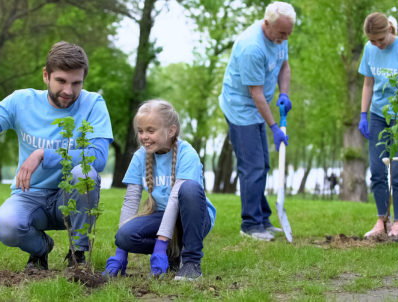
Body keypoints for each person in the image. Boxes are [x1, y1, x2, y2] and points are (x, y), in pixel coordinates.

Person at [0, 41, 114, 270]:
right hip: (30, 195)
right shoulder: (21, 101)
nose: (68, 91)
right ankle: (41, 249)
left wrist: (43, 154)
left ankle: (78, 255)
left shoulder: (93, 103)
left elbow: (98, 158)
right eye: (61, 80)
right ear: (46, 75)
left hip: (70, 198)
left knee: (84, 173)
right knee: (6, 226)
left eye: (76, 83)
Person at [103, 100, 216, 281]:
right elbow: (131, 200)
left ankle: (191, 262)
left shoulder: (187, 154)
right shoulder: (140, 156)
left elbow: (174, 202)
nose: (144, 136)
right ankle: (174, 254)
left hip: (193, 219)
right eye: (140, 131)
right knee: (124, 235)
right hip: (161, 216)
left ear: (171, 131)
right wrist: (120, 252)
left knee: (189, 188)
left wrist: (160, 246)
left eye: (151, 130)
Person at [218, 2, 296, 241]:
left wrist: (284, 93)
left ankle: (262, 218)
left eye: (288, 33)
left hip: (256, 106)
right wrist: (274, 127)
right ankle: (250, 225)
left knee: (262, 164)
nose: (285, 38)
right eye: (282, 33)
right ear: (267, 23)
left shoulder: (279, 37)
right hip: (241, 108)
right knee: (252, 166)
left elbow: (284, 67)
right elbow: (256, 94)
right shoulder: (252, 47)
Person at [358, 12, 398, 240]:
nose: (376, 45)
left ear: (389, 31)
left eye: (380, 40)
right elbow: (368, 83)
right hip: (377, 115)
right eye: (372, 40)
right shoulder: (369, 49)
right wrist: (363, 114)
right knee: (377, 170)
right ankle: (382, 220)